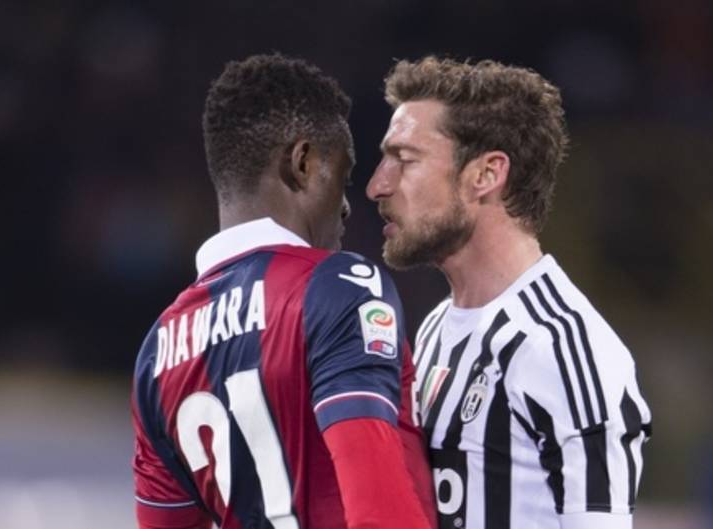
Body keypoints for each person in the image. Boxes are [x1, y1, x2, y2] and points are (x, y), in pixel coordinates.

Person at [131, 54, 436, 529]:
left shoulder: (157, 352)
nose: (346, 206)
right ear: (303, 162)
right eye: (342, 177)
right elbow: (381, 515)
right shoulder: (338, 288)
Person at [366, 56, 652, 529]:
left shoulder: (560, 348)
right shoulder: (437, 327)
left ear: (486, 174)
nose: (378, 185)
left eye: (406, 160)